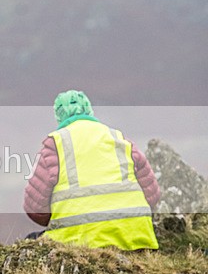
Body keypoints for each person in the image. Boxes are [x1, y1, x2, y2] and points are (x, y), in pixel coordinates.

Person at [23, 90, 161, 250]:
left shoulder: (55, 145)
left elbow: (35, 208)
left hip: (79, 240)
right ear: (89, 110)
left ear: (59, 115)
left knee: (31, 242)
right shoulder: (120, 139)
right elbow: (152, 196)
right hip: (135, 238)